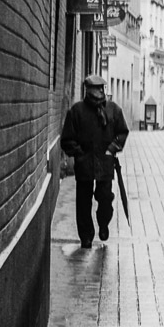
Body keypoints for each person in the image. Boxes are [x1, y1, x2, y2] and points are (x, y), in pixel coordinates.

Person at [61, 74, 129, 248]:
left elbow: (122, 132)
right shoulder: (77, 111)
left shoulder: (113, 110)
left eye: (102, 87)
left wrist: (112, 149)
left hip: (105, 163)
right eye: (96, 88)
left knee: (105, 198)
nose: (100, 90)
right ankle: (86, 236)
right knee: (83, 203)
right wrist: (79, 153)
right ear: (88, 89)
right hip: (85, 165)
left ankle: (104, 223)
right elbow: (67, 139)